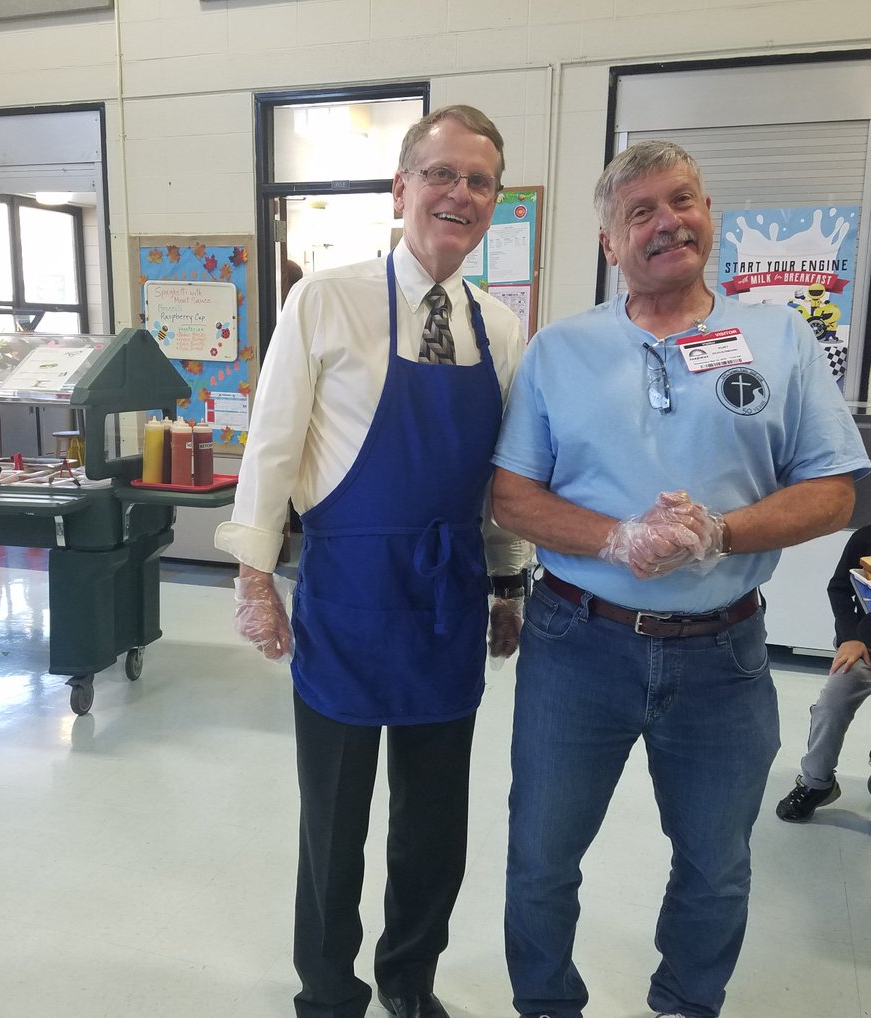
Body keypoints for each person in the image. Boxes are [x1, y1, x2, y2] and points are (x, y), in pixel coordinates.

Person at [490, 139, 870, 1018]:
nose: (670, 222)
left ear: (709, 213)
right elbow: (512, 495)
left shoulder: (779, 337)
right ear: (609, 242)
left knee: (716, 865)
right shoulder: (560, 350)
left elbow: (835, 489)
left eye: (684, 200)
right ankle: (546, 1006)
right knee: (542, 857)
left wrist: (721, 533)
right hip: (576, 644)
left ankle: (684, 1006)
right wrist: (618, 537)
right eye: (642, 212)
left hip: (724, 655)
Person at [215, 104, 531, 1018]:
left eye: (478, 181)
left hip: (446, 602)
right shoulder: (325, 298)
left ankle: (410, 982)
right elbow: (272, 448)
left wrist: (506, 582)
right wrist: (254, 579)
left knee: (434, 829)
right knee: (335, 824)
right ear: (402, 189)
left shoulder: (500, 329)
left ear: (493, 203)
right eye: (441, 174)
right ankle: (326, 989)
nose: (458, 194)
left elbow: (501, 481)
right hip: (347, 599)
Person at [775, 524, 871, 822]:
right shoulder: (865, 537)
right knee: (833, 701)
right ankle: (816, 783)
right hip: (865, 644)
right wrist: (849, 637)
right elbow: (840, 588)